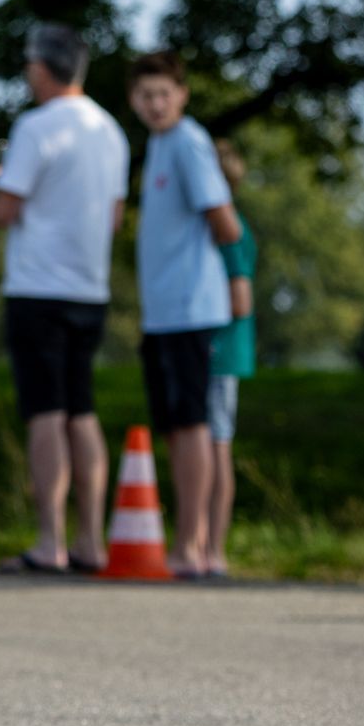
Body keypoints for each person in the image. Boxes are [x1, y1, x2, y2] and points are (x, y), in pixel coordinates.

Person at [0, 23, 129, 574]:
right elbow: (114, 217)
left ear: (42, 69)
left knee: (45, 413)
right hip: (89, 287)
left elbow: (5, 210)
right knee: (82, 410)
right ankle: (92, 541)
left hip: (37, 286)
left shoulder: (35, 126)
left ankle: (51, 541)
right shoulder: (111, 130)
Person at [126, 51, 241, 581]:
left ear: (182, 94)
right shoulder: (156, 145)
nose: (154, 104)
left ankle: (192, 543)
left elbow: (225, 221)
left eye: (162, 94)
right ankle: (184, 538)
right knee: (173, 425)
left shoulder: (190, 143)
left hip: (192, 308)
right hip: (161, 314)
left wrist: (212, 274)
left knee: (194, 424)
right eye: (145, 95)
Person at [207, 138, 258, 579]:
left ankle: (213, 548)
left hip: (219, 352)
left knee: (217, 445)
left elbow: (240, 299)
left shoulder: (229, 231)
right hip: (213, 351)